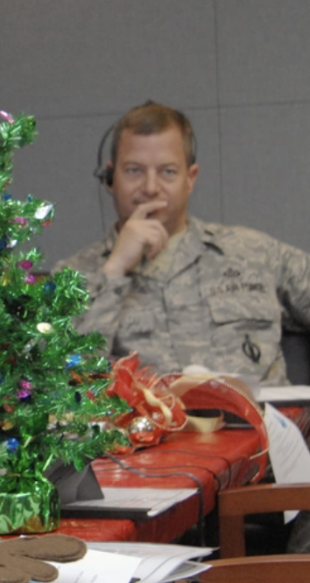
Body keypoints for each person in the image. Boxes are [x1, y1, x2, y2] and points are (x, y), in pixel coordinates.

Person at [56, 101, 310, 385]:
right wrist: (114, 270)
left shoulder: (255, 252)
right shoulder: (72, 278)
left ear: (190, 179)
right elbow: (58, 383)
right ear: (110, 178)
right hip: (147, 427)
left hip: (263, 425)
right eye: (134, 171)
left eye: (167, 172)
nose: (151, 188)